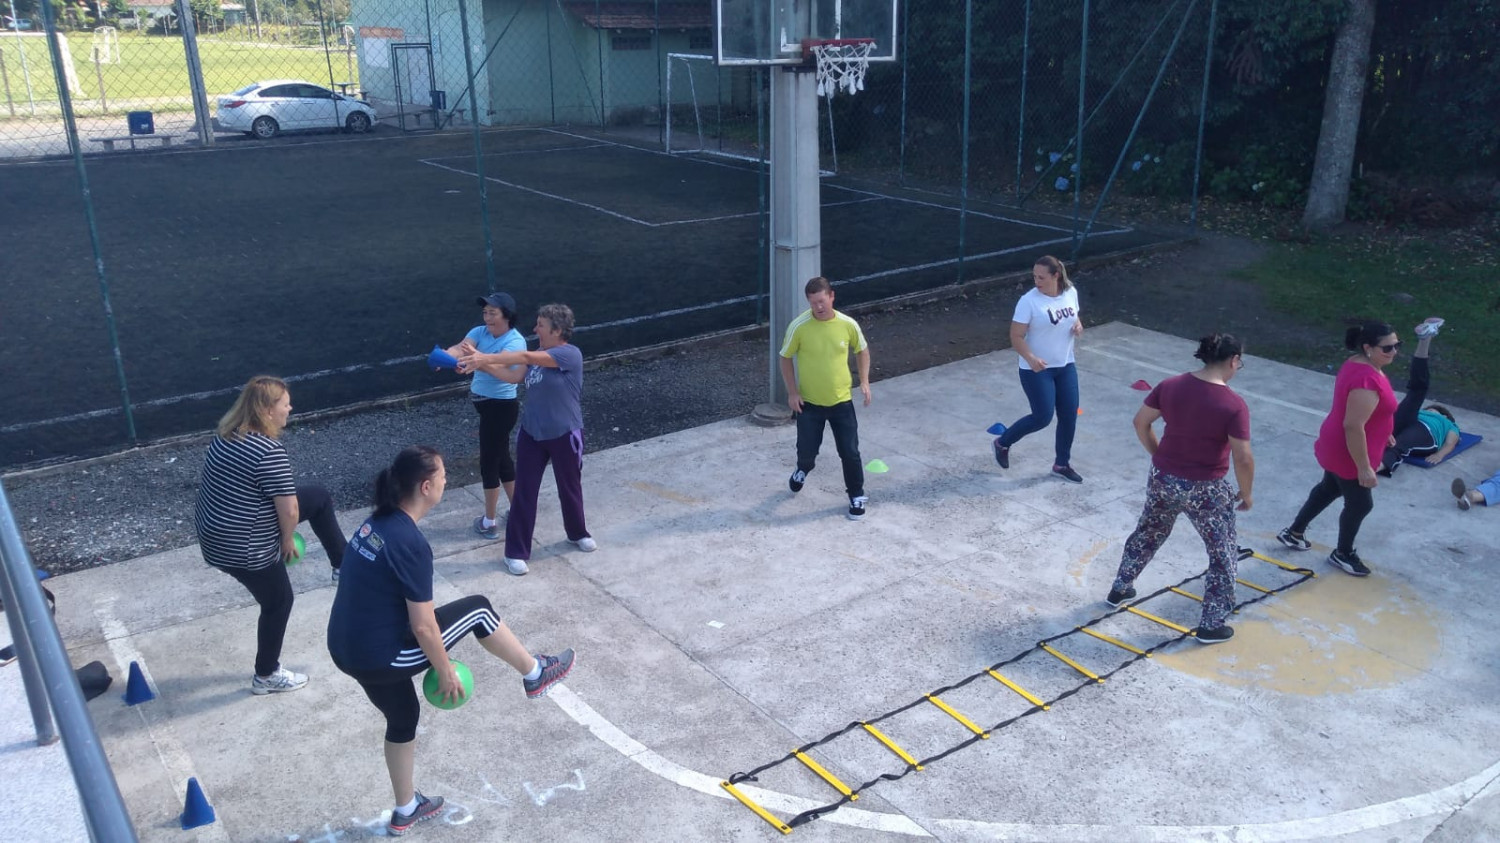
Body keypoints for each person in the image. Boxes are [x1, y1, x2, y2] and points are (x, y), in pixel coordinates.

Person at [327, 446, 576, 837]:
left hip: (346, 648)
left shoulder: (376, 523)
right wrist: (444, 671)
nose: (447, 480)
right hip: (380, 652)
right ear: (426, 487)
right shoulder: (409, 542)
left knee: (403, 717)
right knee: (479, 611)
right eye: (442, 476)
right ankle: (536, 673)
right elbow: (424, 627)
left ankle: (406, 808)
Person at [193, 376, 347, 695]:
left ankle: (343, 566)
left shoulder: (226, 436)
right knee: (279, 601)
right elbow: (289, 510)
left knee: (317, 498)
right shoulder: (267, 450)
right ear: (266, 409)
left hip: (214, 537)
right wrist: (286, 540)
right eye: (284, 403)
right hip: (244, 545)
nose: (290, 407)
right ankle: (266, 675)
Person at [1105, 334, 1254, 644]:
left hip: (1163, 477)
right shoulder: (1233, 405)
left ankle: (1121, 586)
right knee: (1222, 553)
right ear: (1233, 360)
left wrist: (1159, 456)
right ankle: (1211, 623)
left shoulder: (1170, 385)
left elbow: (1140, 423)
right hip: (1207, 488)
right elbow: (1243, 456)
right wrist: (1246, 492)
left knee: (1149, 531)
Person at [458, 304, 593, 576]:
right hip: (532, 435)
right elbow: (513, 375)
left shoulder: (569, 354)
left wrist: (483, 358)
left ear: (556, 330)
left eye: (541, 325)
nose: (535, 329)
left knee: (570, 487)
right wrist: (481, 366)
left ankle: (577, 532)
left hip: (566, 433)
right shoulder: (537, 356)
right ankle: (516, 552)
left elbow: (521, 355)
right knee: (524, 493)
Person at [1277, 320, 1401, 577]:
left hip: (1338, 444)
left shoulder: (1362, 364)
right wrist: (1364, 468)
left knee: (1329, 488)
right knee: (1360, 505)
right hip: (1349, 451)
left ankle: (1294, 532)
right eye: (1387, 347)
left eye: (1397, 345)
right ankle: (1342, 553)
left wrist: (1385, 430)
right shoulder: (1366, 379)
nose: (1394, 351)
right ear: (1368, 347)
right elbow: (1353, 426)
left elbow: (1371, 411)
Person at [779, 276, 872, 521]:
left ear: (832, 296)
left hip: (841, 402)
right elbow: (785, 357)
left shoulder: (847, 324)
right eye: (813, 303)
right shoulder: (799, 327)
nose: (818, 307)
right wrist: (792, 392)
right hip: (809, 405)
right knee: (807, 453)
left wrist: (863, 381)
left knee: (850, 452)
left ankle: (856, 495)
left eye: (821, 301)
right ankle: (802, 469)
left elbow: (862, 350)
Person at [993, 255, 1085, 483]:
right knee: (1043, 416)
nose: (1036, 281)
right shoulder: (1029, 301)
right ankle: (1002, 442)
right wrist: (1031, 357)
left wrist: (1078, 325)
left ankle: (1061, 464)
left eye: (1041, 277)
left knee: (1069, 415)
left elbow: (1075, 315)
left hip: (1065, 364)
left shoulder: (1070, 292)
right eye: (1034, 276)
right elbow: (1016, 336)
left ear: (1056, 276)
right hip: (1036, 369)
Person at [445, 292, 527, 540]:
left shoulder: (515, 343)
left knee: (488, 463)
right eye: (485, 312)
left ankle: (489, 521)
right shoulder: (479, 332)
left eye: (493, 312)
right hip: (486, 406)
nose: (487, 317)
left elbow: (510, 375)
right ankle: (519, 510)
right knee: (502, 459)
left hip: (501, 408)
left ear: (507, 316)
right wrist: (446, 357)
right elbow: (460, 348)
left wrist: (479, 361)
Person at [1378, 318, 1459, 476]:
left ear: (1445, 416)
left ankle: (1372, 470)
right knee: (1417, 391)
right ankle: (1425, 339)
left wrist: (1439, 455)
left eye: (1435, 409)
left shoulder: (1449, 425)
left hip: (1427, 434)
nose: (1431, 409)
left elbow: (1451, 443)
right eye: (1430, 408)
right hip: (1410, 420)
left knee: (1401, 444)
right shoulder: (1421, 413)